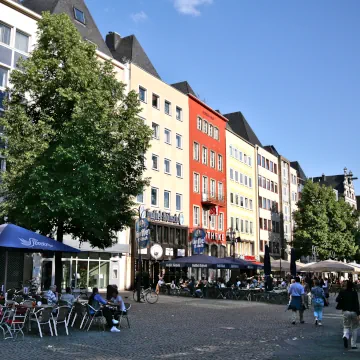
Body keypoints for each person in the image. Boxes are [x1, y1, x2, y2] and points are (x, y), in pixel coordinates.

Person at [336, 280, 360, 349]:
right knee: (355, 328)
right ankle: (353, 344)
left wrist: (342, 298)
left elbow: (337, 300)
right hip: (354, 312)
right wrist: (358, 313)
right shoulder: (354, 293)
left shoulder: (342, 292)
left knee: (346, 326)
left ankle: (345, 336)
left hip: (345, 311)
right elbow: (357, 303)